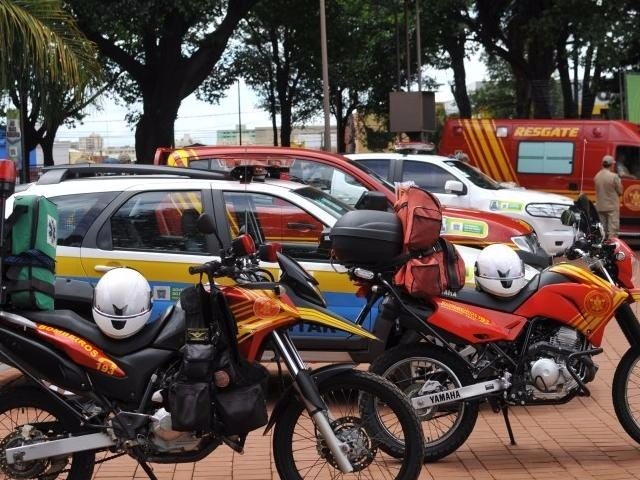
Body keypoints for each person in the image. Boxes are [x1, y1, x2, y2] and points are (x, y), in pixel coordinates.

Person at [594, 154, 623, 237]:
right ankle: (612, 247)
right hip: (612, 207)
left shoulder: (597, 176)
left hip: (600, 206)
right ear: (611, 164)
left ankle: (602, 246)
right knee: (613, 230)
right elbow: (620, 191)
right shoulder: (614, 177)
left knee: (602, 229)